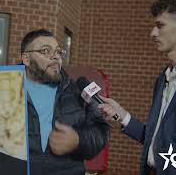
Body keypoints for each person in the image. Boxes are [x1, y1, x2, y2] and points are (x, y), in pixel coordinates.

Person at [100, 0, 176, 175]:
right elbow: (159, 140)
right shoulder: (162, 79)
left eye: (160, 25)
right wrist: (122, 115)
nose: (153, 33)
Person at [21, 29, 111, 175]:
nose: (55, 57)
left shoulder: (79, 90)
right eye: (45, 51)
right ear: (26, 58)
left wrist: (78, 140)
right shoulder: (3, 89)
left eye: (58, 52)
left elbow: (102, 131)